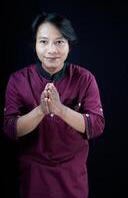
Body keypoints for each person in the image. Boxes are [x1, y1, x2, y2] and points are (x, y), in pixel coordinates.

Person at [3, 12, 105, 198]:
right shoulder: (18, 80)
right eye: (43, 41)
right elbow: (10, 128)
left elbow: (97, 125)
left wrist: (60, 109)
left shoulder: (85, 79)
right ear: (35, 44)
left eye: (59, 42)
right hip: (33, 178)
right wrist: (41, 110)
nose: (51, 49)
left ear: (69, 45)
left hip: (73, 179)